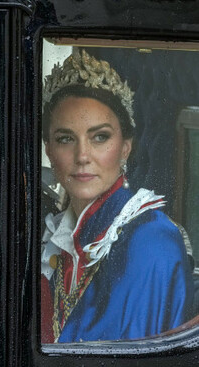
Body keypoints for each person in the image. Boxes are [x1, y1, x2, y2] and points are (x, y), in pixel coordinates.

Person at [40, 49, 193, 343]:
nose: (82, 156)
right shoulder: (55, 238)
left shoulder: (152, 240)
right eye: (65, 139)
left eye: (100, 137)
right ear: (49, 149)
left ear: (125, 148)